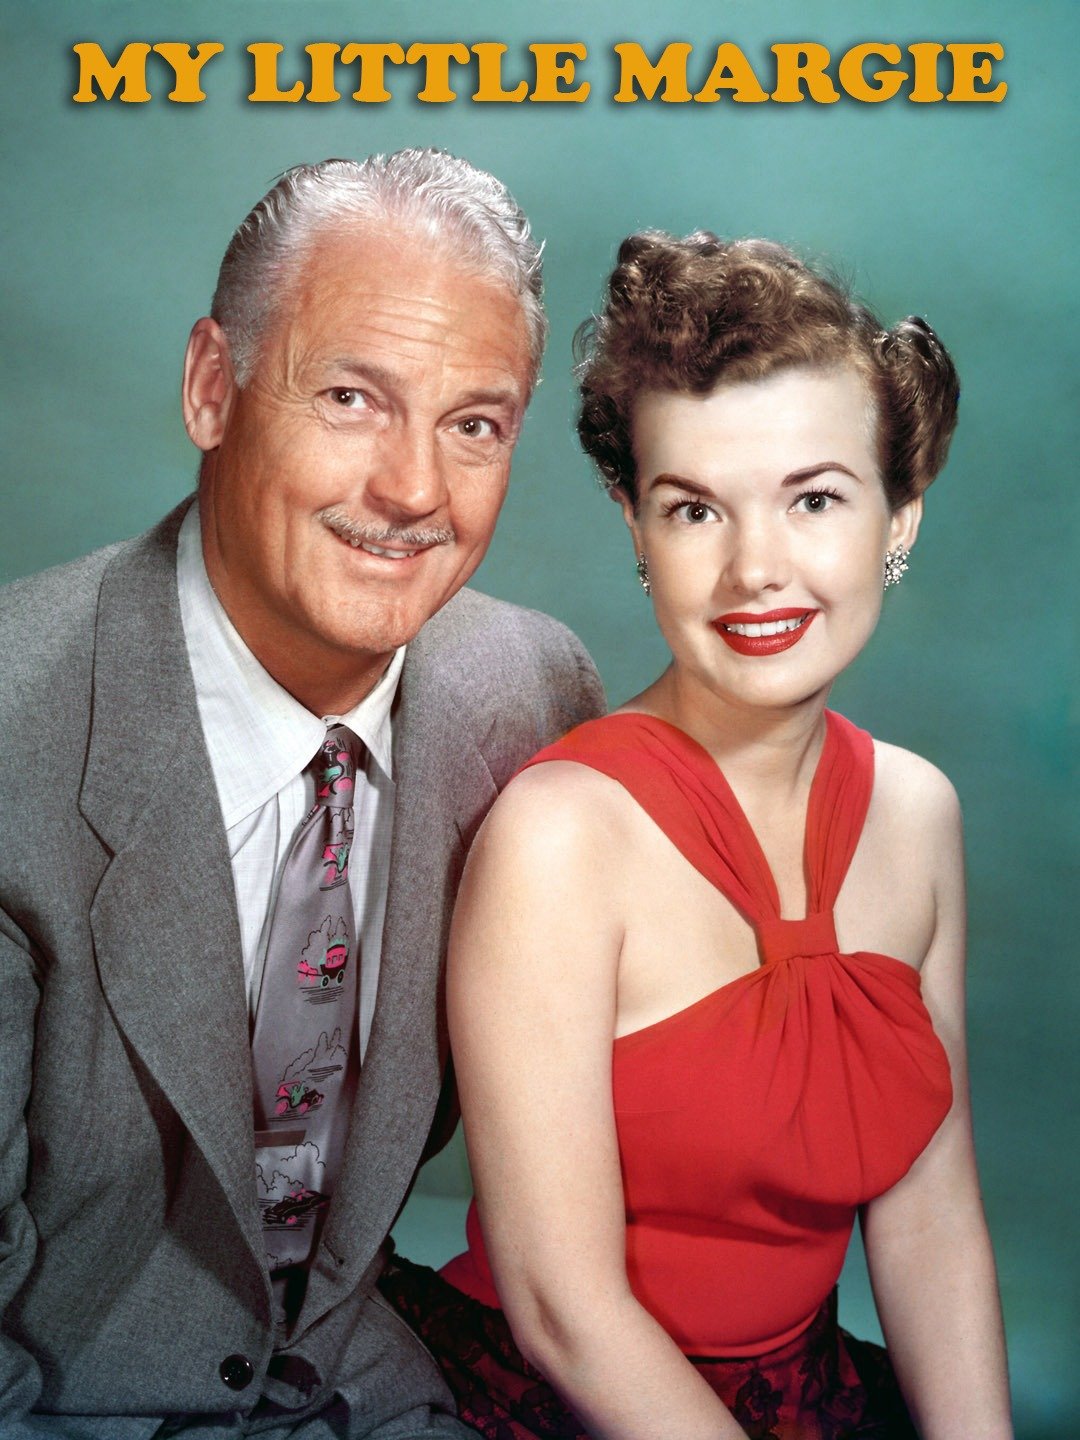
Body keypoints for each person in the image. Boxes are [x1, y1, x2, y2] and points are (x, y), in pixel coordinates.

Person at [0, 150, 604, 1438]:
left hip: (359, 1384)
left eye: (475, 424)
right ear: (211, 387)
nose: (414, 491)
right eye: (350, 397)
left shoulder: (535, 696)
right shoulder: (12, 736)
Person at [380, 233, 1014, 1438]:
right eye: (694, 509)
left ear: (900, 517)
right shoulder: (560, 838)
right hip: (555, 1403)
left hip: (806, 1395)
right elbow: (564, 1311)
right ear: (635, 524)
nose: (755, 569)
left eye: (814, 498)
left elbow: (931, 1222)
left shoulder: (918, 813)